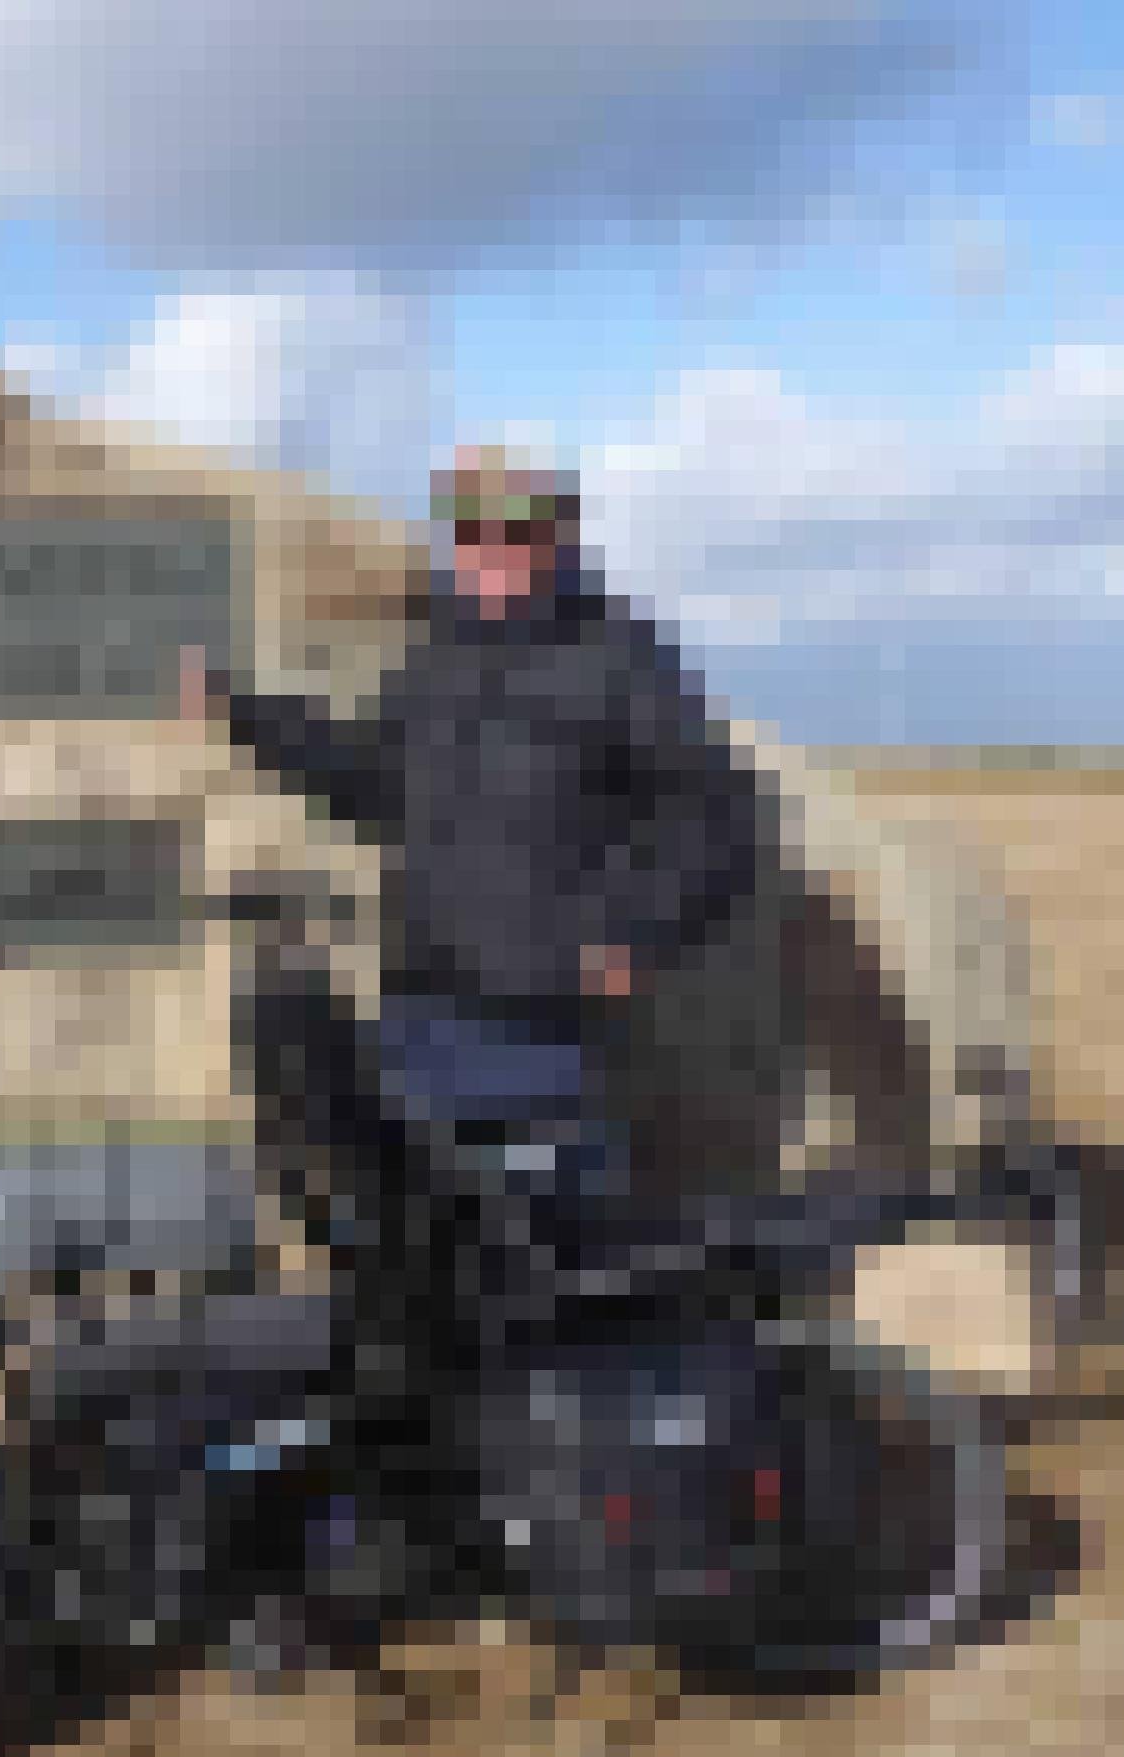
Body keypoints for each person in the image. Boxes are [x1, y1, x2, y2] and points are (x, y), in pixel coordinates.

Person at [182, 445, 772, 1277]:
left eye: (513, 531)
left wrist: (634, 933)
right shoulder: (437, 656)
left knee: (555, 1283)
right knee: (418, 1275)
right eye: (470, 531)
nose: (490, 551)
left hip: (536, 1035)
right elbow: (370, 783)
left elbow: (719, 815)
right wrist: (241, 713)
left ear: (558, 534)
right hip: (414, 1020)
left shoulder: (613, 655)